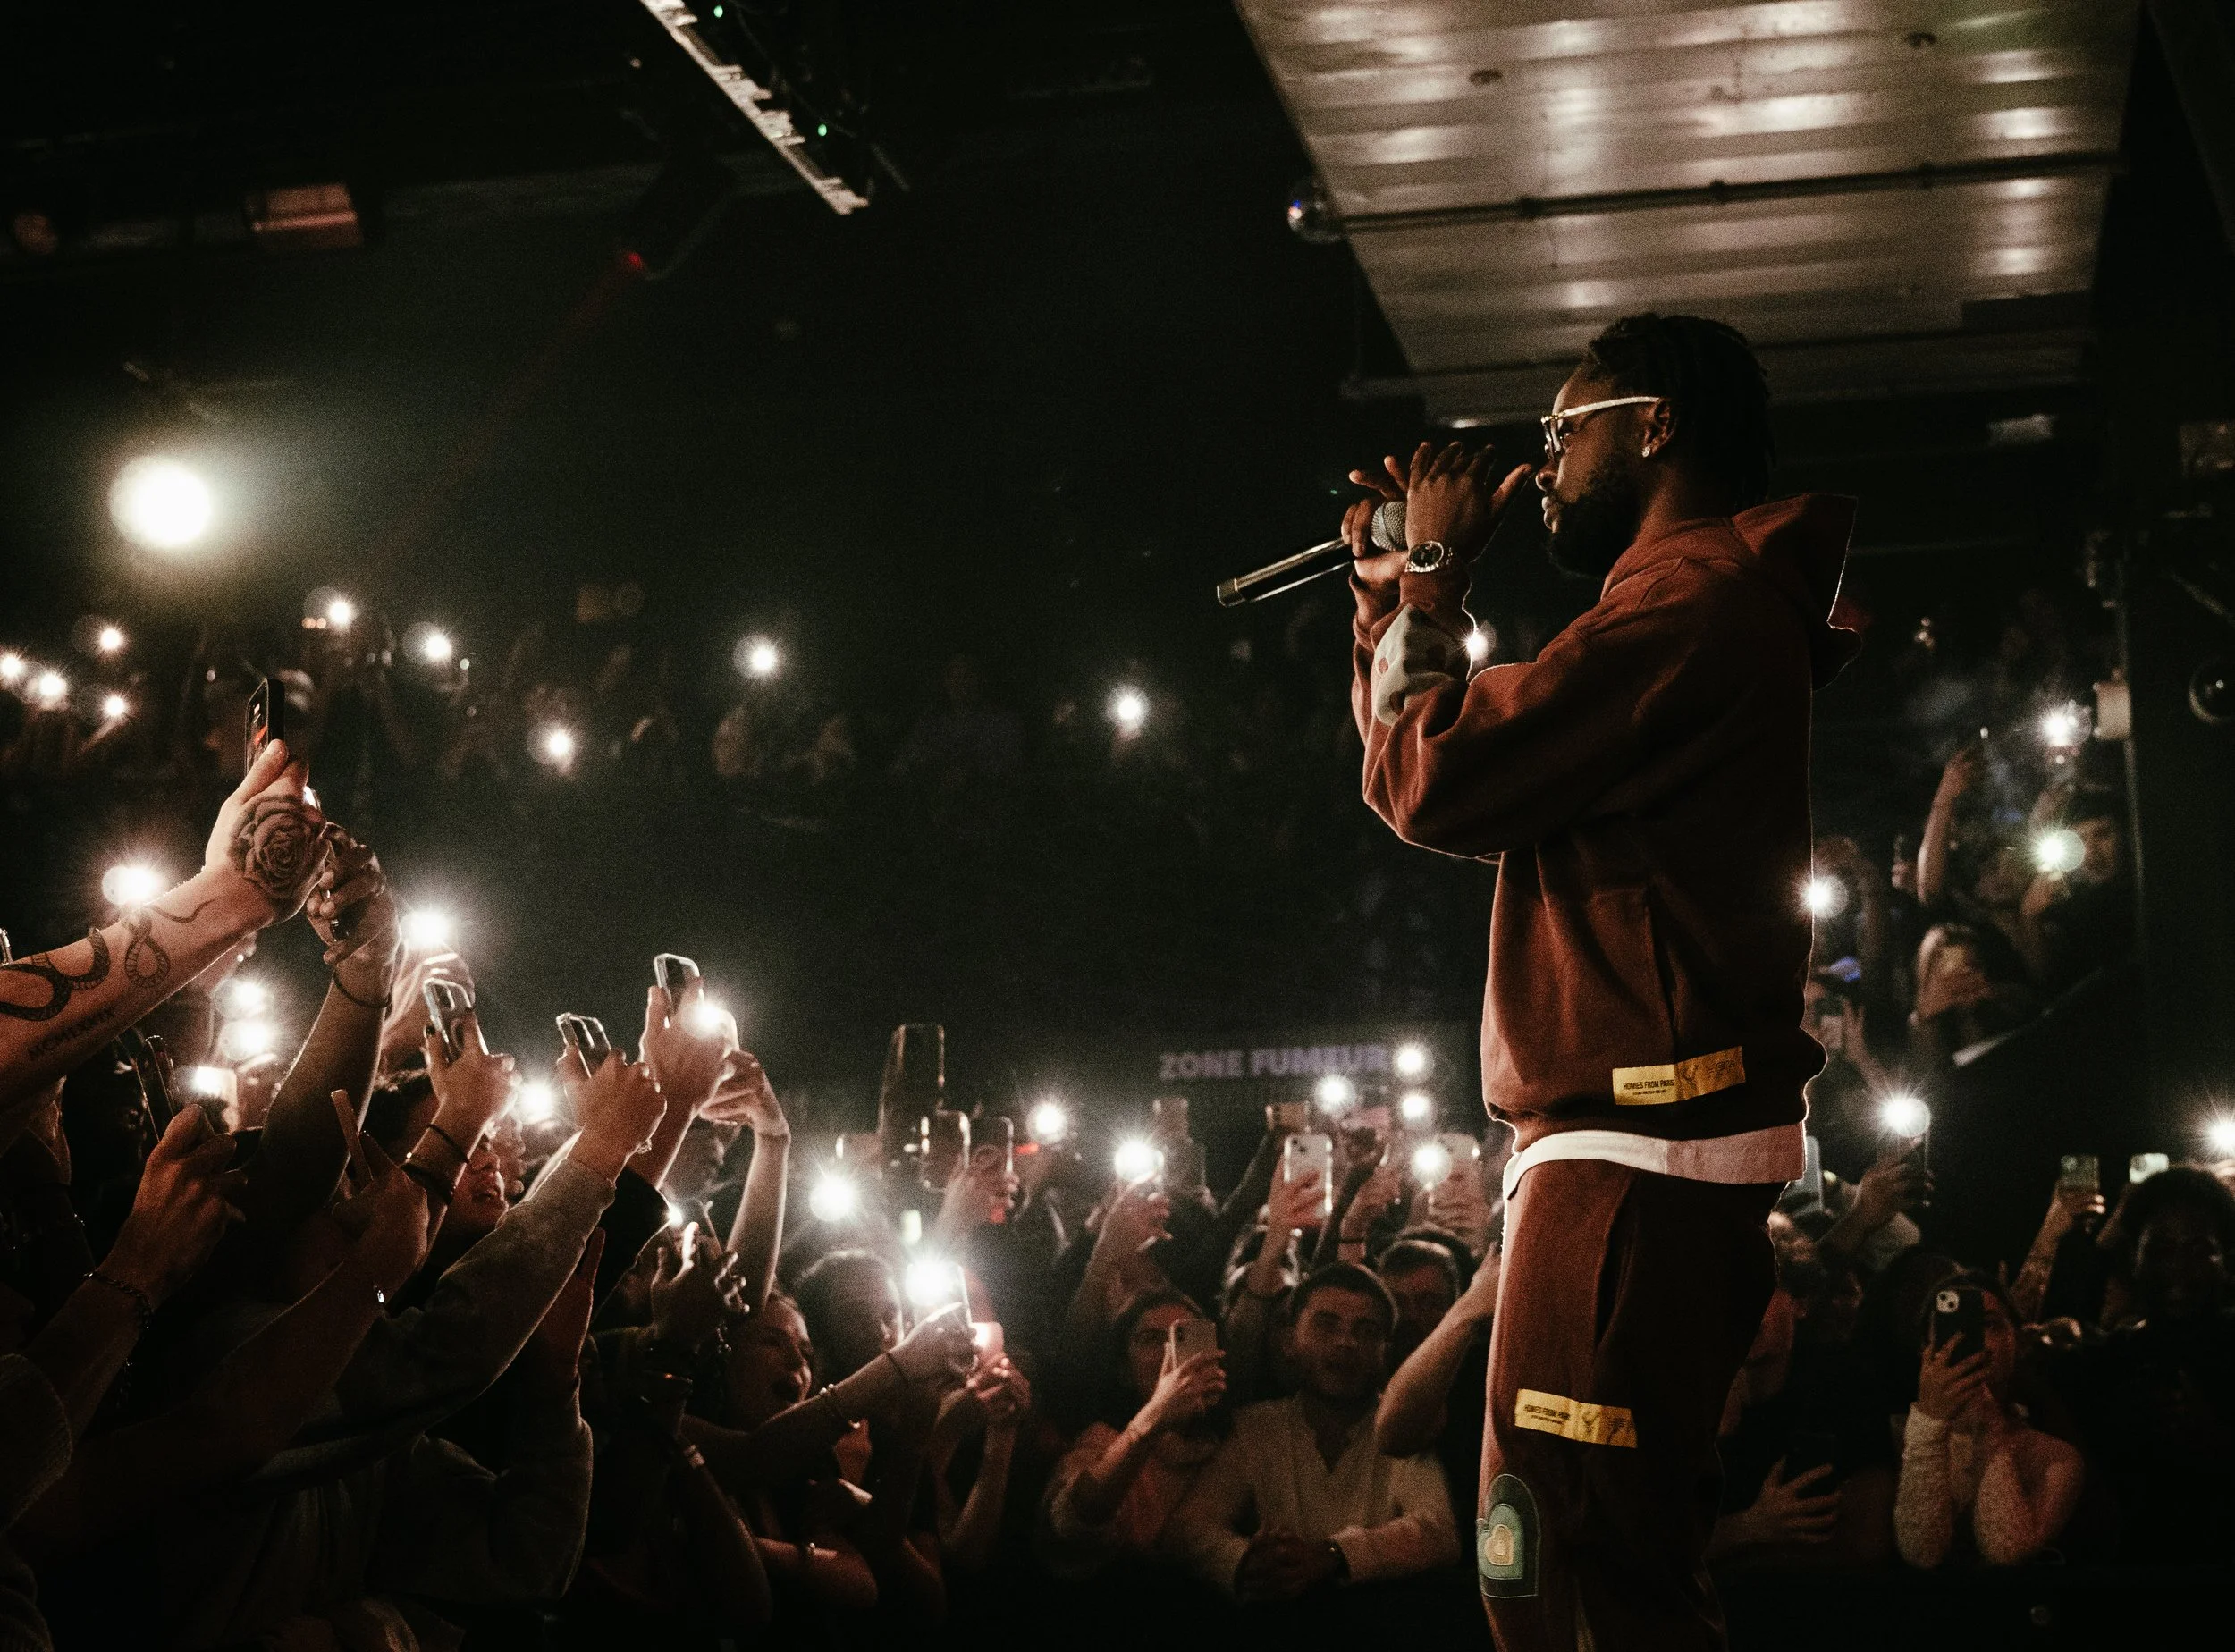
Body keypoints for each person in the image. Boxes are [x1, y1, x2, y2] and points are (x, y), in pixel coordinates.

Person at [1343, 311, 1860, 1648]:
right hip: (1633, 1153)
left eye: (1565, 431)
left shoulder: (1690, 601)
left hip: (1638, 1151)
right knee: (1582, 1551)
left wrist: (1441, 578)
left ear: (1656, 425)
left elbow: (1434, 778)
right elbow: (1448, 768)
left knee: (1565, 1557)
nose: (1548, 464)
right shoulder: (1689, 605)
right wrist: (1397, 601)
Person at [1163, 1263, 1457, 1601]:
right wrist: (1246, 1560)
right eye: (1326, 1325)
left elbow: (1438, 1532)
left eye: (1365, 1330)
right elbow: (1188, 1529)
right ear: (1290, 1341)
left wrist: (1334, 1555)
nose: (1346, 1342)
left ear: (1384, 1351)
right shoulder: (1257, 1427)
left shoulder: (1402, 1429)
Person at [1893, 1274, 2082, 1568]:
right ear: (1924, 1347)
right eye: (1952, 1327)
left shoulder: (2055, 1459)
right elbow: (1921, 1552)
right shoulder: (1894, 1436)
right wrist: (1929, 1420)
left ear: (2016, 1341)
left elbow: (2007, 1552)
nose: (1973, 1340)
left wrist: (1988, 1424)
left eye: (1989, 1324)